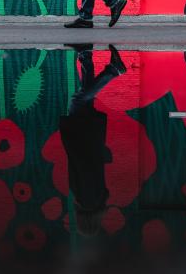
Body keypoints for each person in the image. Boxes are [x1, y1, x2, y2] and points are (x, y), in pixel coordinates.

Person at [60, 44, 127, 236]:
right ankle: (114, 71)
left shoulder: (96, 200)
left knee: (85, 95)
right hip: (82, 136)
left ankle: (85, 55)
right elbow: (83, 166)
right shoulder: (87, 200)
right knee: (78, 101)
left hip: (88, 137)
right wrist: (71, 142)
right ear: (84, 221)